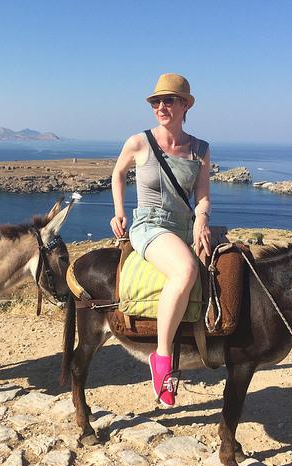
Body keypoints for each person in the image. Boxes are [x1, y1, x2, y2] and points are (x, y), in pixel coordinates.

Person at [110, 74, 211, 407]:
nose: (161, 107)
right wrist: (119, 211)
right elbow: (118, 173)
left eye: (169, 100)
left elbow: (203, 196)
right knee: (184, 270)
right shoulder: (138, 142)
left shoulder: (200, 150)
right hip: (150, 226)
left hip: (185, 226)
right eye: (156, 102)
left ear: (185, 105)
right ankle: (163, 359)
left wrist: (201, 221)